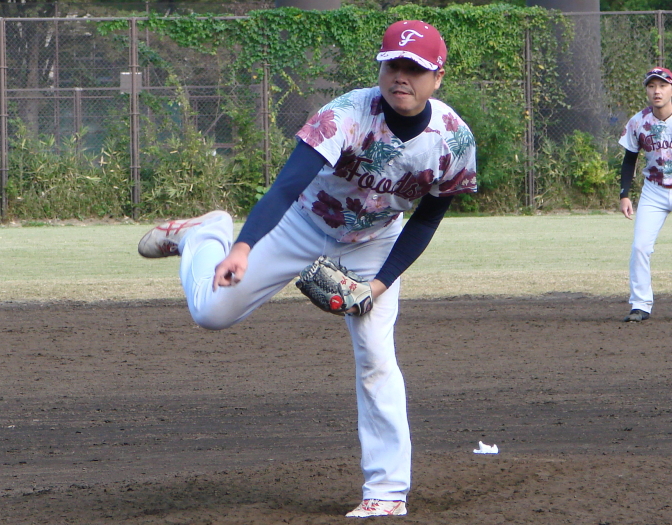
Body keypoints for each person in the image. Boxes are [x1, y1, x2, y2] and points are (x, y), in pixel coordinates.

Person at [138, 19, 477, 517]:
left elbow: (425, 220)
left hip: (374, 242)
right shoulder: (345, 115)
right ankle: (205, 236)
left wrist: (377, 286)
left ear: (438, 77)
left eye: (415, 68)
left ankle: (386, 491)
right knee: (211, 312)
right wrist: (243, 247)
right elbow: (285, 187)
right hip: (301, 221)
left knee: (376, 356)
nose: (400, 76)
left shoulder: (453, 141)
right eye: (392, 65)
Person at [619, 67, 672, 322]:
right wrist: (624, 194)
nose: (657, 91)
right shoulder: (638, 121)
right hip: (654, 190)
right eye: (651, 86)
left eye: (662, 85)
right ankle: (640, 305)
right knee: (640, 247)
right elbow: (630, 159)